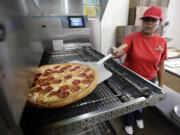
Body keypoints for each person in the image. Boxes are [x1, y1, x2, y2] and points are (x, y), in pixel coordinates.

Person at [111, 6, 167, 135]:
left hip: (149, 80)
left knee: (142, 101)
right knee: (129, 102)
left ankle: (139, 116)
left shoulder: (162, 42)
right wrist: (117, 51)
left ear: (158, 23)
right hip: (130, 78)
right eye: (146, 20)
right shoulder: (132, 38)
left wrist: (161, 84)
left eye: (152, 20)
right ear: (142, 22)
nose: (148, 23)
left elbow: (161, 64)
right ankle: (128, 121)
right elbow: (123, 48)